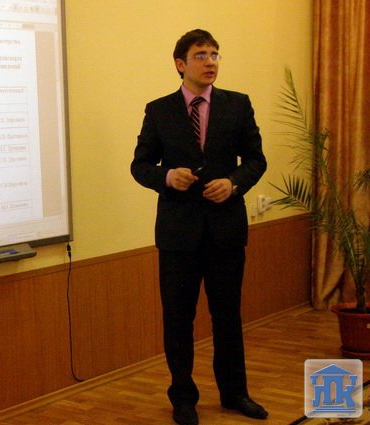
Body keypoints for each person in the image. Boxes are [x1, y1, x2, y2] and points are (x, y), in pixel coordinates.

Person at [130, 29, 268, 425]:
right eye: (201, 55)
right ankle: (183, 398)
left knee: (228, 316)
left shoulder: (237, 105)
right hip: (178, 234)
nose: (210, 62)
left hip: (225, 231)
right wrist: (166, 176)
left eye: (215, 54)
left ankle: (235, 393)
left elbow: (256, 160)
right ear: (181, 64)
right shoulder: (159, 110)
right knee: (178, 319)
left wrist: (234, 183)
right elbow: (140, 165)